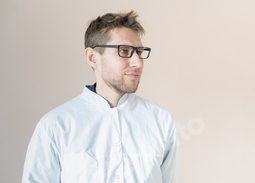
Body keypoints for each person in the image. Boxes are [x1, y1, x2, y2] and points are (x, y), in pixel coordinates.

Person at [22, 11, 178, 183]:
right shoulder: (54, 126)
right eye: (124, 51)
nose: (138, 63)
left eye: (140, 52)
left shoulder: (162, 121)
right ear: (92, 57)